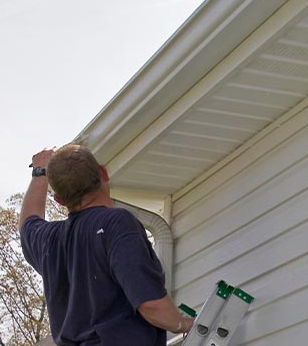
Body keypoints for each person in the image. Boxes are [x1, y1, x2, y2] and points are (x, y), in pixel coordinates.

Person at [19, 144, 194, 346]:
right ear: (103, 172)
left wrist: (39, 172)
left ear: (59, 200)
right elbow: (150, 304)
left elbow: (27, 224)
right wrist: (184, 324)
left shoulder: (49, 240)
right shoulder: (115, 224)